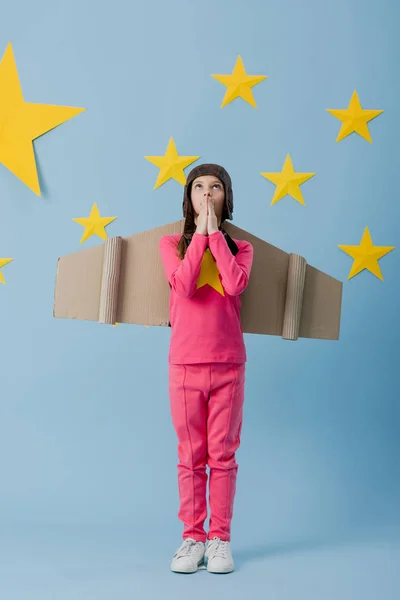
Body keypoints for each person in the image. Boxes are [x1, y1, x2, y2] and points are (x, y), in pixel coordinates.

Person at [159, 164, 254, 574]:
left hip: (229, 363)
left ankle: (220, 539)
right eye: (199, 187)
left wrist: (215, 236)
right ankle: (192, 538)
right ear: (189, 198)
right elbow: (181, 285)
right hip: (184, 364)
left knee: (223, 455)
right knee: (190, 456)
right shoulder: (170, 245)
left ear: (225, 197)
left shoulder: (243, 249)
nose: (207, 193)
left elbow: (234, 285)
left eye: (215, 187)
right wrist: (198, 235)